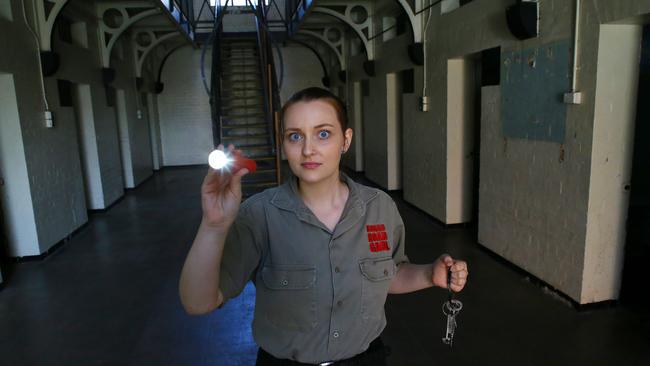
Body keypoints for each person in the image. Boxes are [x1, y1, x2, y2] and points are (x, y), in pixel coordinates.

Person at [179, 87, 469, 365]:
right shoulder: (259, 215)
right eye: (295, 136)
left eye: (323, 134)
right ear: (284, 144)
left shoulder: (379, 208)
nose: (308, 149)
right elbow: (198, 303)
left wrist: (430, 274)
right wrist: (214, 225)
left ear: (345, 140)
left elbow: (388, 275)